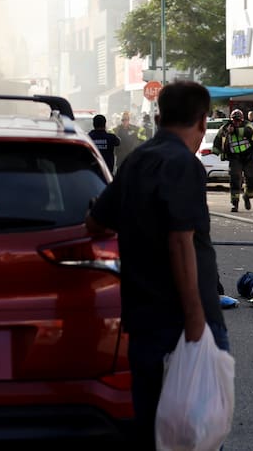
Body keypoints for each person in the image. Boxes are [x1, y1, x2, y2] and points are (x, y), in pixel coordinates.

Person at [85, 81, 228, 450]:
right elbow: (181, 242)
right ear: (201, 120)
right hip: (182, 324)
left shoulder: (137, 160)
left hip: (144, 319)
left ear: (160, 116)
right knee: (198, 431)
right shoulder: (183, 164)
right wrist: (196, 324)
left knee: (153, 430)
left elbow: (96, 222)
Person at [214, 108, 253, 212]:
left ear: (242, 120)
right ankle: (235, 204)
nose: (236, 122)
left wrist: (235, 130)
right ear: (231, 120)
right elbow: (217, 139)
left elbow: (249, 132)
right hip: (235, 158)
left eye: (238, 120)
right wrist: (215, 151)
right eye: (234, 120)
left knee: (252, 179)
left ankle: (247, 196)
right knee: (235, 179)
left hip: (248, 157)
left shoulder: (247, 126)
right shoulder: (225, 128)